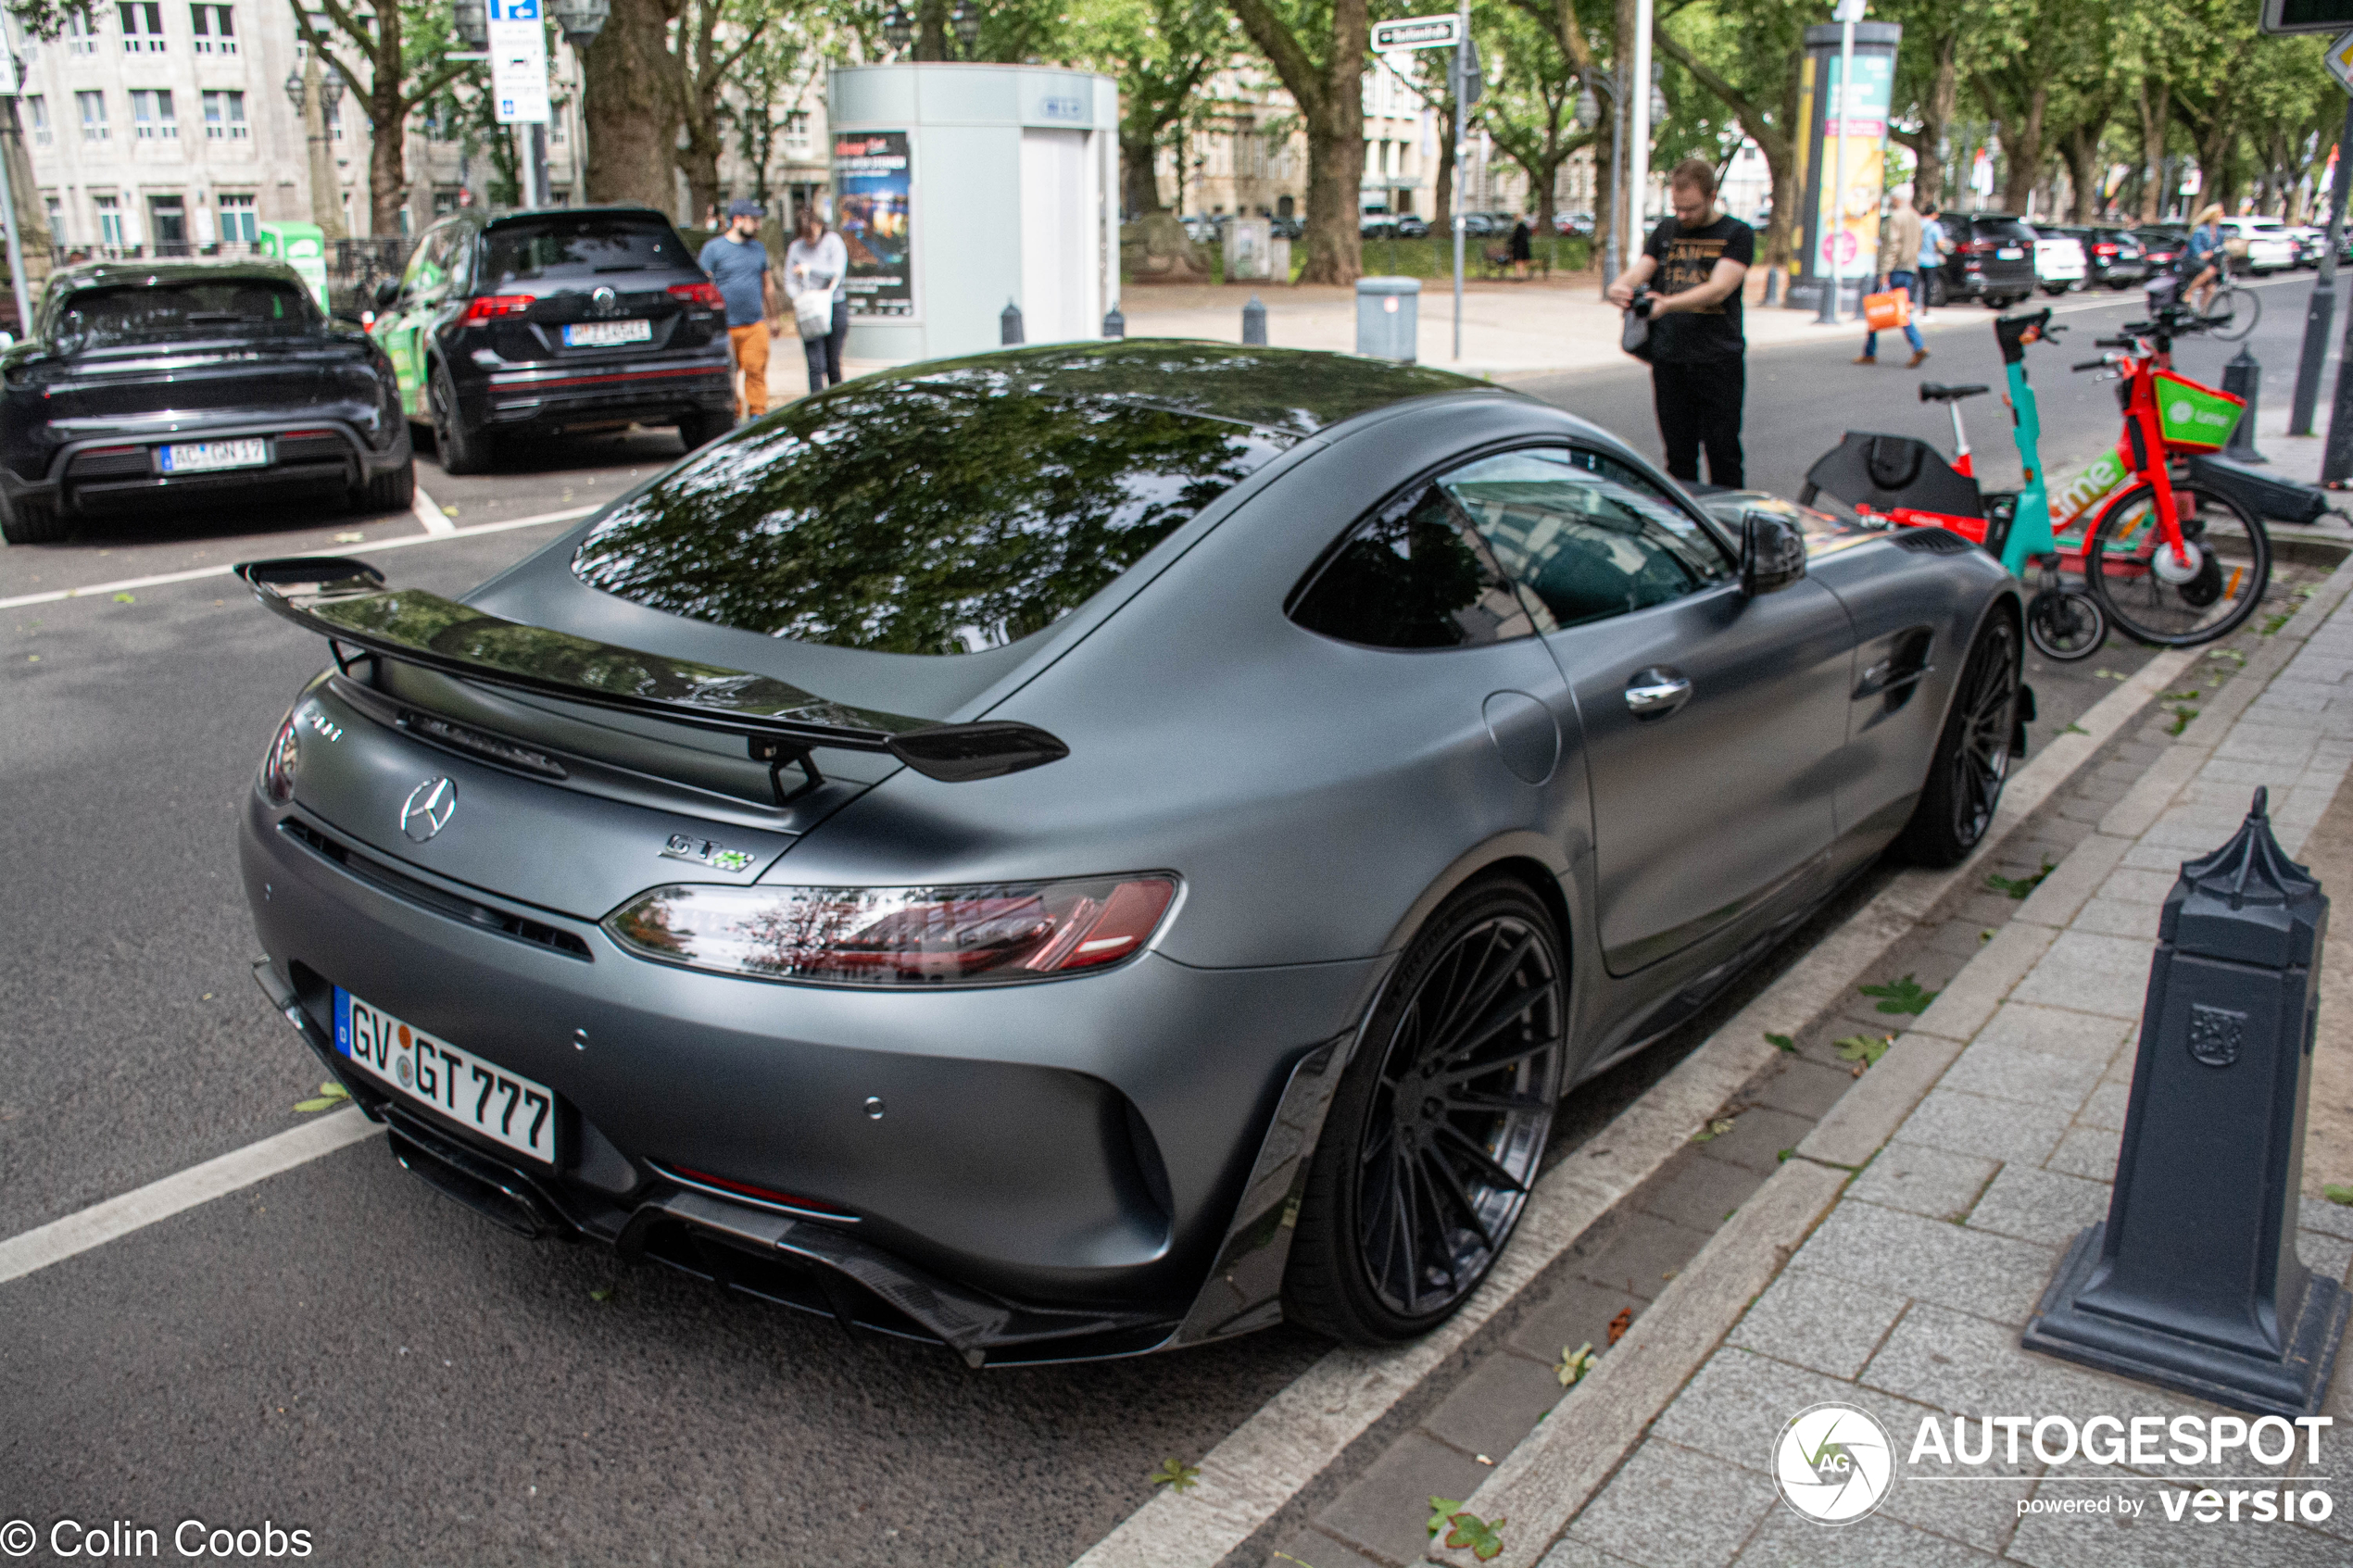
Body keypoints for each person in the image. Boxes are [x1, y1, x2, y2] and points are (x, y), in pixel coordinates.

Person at [1606, 157, 1755, 488]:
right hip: (1670, 357)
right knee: (1678, 454)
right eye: (1677, 208)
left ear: (1712, 195)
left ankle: (1729, 523)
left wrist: (1667, 304)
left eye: (1691, 209)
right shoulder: (1665, 230)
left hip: (1717, 359)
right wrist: (1621, 285)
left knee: (1723, 452)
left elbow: (1719, 289)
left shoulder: (1737, 234)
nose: (1683, 216)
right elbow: (1642, 268)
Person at [697, 198, 782, 423]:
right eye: (753, 220)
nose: (758, 225)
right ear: (737, 220)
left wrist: (774, 318)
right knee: (729, 376)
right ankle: (732, 418)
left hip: (754, 324)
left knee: (756, 372)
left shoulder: (758, 249)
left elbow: (768, 285)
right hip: (725, 327)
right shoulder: (713, 249)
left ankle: (757, 416)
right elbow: (704, 286)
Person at [1856, 188, 1928, 369]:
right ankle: (1916, 345)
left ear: (1897, 199)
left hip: (1895, 269)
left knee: (1877, 307)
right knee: (1901, 308)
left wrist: (1884, 272)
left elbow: (1892, 247)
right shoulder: (1915, 218)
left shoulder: (1896, 218)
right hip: (1909, 268)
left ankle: (1870, 352)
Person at [786, 206, 850, 394]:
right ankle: (816, 402)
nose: (809, 240)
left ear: (818, 225)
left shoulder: (833, 242)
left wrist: (810, 268)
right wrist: (798, 297)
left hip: (833, 305)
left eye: (811, 234)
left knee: (833, 361)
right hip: (809, 308)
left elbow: (837, 272)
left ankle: (837, 399)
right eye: (805, 237)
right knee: (815, 363)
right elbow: (788, 280)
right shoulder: (796, 248)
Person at [2183, 202, 2226, 314]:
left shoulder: (2219, 232)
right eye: (2221, 213)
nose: (2223, 215)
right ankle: (2188, 292)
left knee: (2211, 288)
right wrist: (2203, 253)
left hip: (2206, 263)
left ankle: (2202, 312)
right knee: (2210, 271)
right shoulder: (2200, 230)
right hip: (2193, 261)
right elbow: (2195, 248)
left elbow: (2220, 247)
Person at [1916, 201, 1947, 320]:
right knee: (1928, 286)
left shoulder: (1918, 223)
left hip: (1916, 260)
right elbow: (1941, 244)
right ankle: (1925, 310)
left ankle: (1910, 307)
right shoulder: (1935, 227)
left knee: (1915, 286)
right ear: (1934, 214)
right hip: (1930, 261)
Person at [1508, 213, 1533, 279]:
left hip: (1519, 246)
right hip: (1522, 246)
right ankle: (1520, 274)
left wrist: (1512, 241)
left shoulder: (1520, 226)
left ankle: (1519, 274)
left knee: (1519, 260)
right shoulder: (1523, 226)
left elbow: (1516, 237)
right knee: (1520, 261)